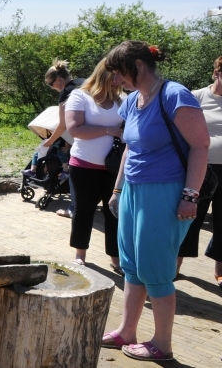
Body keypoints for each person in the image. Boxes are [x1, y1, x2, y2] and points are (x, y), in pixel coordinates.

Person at [102, 41, 209, 362]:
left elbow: (201, 147)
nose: (116, 80)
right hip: (133, 190)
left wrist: (190, 196)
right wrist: (118, 191)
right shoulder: (133, 100)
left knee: (156, 270)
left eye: (119, 73)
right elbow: (130, 149)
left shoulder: (175, 95)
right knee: (131, 267)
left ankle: (162, 344)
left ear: (138, 66)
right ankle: (126, 331)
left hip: (166, 191)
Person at [64, 59, 123, 272]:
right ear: (105, 74)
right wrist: (110, 130)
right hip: (84, 164)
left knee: (114, 212)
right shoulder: (80, 96)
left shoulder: (122, 99)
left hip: (114, 167)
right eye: (116, 75)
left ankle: (116, 259)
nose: (119, 80)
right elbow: (75, 130)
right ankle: (80, 254)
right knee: (84, 210)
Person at [180, 54, 222, 287]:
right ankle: (175, 266)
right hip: (200, 167)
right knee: (189, 217)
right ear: (216, 73)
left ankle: (220, 272)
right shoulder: (196, 96)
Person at [42, 59, 83, 218]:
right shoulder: (85, 82)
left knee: (75, 173)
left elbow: (62, 125)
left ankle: (74, 208)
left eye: (51, 84)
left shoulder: (66, 93)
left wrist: (50, 142)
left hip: (82, 138)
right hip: (104, 134)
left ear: (58, 80)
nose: (52, 88)